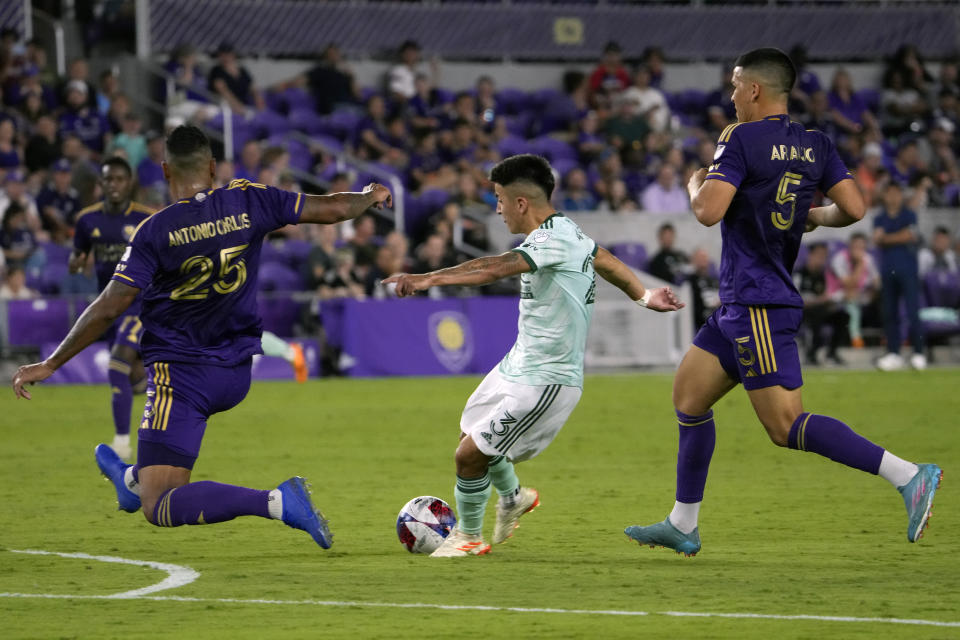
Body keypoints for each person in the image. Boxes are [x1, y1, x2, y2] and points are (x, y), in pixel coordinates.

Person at [623, 48, 941, 557]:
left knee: (785, 424)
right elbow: (855, 208)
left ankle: (908, 475)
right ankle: (683, 523)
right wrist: (814, 216)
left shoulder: (739, 138)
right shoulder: (816, 144)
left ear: (753, 90)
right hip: (738, 304)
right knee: (689, 398)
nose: (730, 97)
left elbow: (707, 213)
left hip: (760, 305)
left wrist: (694, 184)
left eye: (734, 87)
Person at [13, 125, 393, 549]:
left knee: (159, 505)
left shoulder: (155, 231)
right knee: (154, 472)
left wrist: (51, 362)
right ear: (212, 167)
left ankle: (276, 502)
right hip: (236, 373)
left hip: (181, 379)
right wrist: (369, 195)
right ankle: (129, 479)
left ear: (164, 170)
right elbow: (333, 208)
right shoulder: (250, 199)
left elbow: (108, 306)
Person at [385, 154, 683, 557]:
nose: (498, 208)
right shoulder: (568, 232)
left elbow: (496, 268)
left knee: (468, 457)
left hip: (547, 378)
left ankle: (468, 539)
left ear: (521, 203)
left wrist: (428, 277)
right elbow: (607, 261)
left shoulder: (552, 239)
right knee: (470, 438)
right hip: (518, 364)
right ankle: (512, 497)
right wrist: (644, 295)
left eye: (499, 199)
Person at [70, 157, 155, 459]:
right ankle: (153, 387)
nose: (113, 185)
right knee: (131, 375)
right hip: (108, 306)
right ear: (101, 184)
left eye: (119, 179)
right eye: (108, 179)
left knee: (117, 363)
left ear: (129, 182)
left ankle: (121, 444)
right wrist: (76, 261)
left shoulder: (147, 218)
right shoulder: (87, 220)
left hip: (140, 303)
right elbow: (79, 252)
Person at [873, 182, 925, 371]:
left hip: (908, 270)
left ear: (901, 196)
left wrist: (887, 238)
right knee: (889, 313)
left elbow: (909, 236)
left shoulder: (909, 214)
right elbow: (877, 238)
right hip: (887, 270)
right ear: (884, 196)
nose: (893, 197)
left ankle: (919, 352)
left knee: (912, 312)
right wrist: (898, 236)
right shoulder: (879, 217)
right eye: (890, 193)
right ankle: (894, 353)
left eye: (897, 193)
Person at [794, 242, 847, 365]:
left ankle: (832, 353)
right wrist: (820, 300)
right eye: (819, 255)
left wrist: (831, 301)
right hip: (801, 311)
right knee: (816, 316)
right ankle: (811, 354)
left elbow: (825, 295)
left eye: (824, 256)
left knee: (842, 315)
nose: (822, 259)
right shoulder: (799, 274)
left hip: (820, 309)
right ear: (810, 255)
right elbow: (795, 299)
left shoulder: (823, 275)